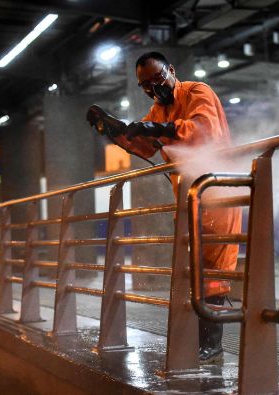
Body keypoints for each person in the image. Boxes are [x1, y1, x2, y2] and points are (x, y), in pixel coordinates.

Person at [87, 51, 241, 364]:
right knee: (194, 270)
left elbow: (202, 130)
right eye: (145, 84)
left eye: (157, 79)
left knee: (212, 271)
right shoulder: (159, 109)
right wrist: (116, 131)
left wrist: (156, 129)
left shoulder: (198, 92)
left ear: (171, 70)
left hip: (218, 193)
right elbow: (146, 145)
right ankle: (202, 340)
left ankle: (213, 344)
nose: (153, 88)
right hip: (188, 198)